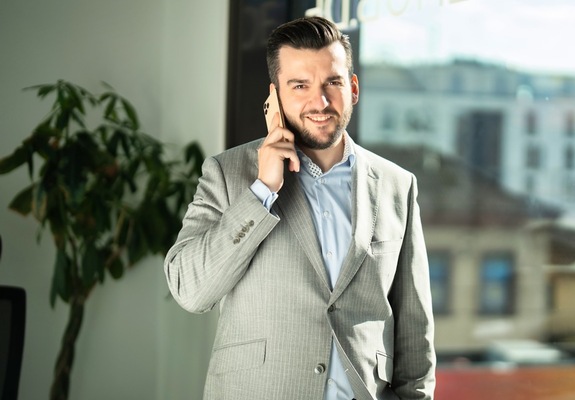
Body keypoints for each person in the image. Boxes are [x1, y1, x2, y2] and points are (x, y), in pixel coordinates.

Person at [163, 16, 436, 400]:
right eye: (300, 86)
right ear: (275, 96)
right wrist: (262, 190)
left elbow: (414, 329)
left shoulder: (397, 185)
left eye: (332, 83)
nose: (319, 102)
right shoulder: (228, 173)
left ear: (353, 88)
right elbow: (190, 292)